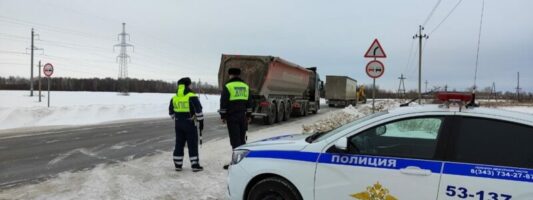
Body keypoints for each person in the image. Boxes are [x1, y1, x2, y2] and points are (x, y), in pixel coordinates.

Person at [219, 68, 252, 170]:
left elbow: (223, 102)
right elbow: (250, 102)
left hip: (232, 116)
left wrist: (223, 116)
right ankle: (243, 161)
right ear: (239, 75)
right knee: (242, 139)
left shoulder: (228, 86)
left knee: (235, 140)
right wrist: (249, 115)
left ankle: (236, 163)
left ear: (230, 75)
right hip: (243, 116)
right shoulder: (245, 86)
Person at [169, 77, 204, 172]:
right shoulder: (191, 96)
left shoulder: (174, 97)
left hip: (178, 124)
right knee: (192, 144)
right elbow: (199, 111)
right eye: (190, 84)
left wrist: (178, 118)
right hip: (190, 123)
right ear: (188, 85)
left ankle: (178, 165)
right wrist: (200, 121)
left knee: (179, 143)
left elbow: (171, 113)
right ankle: (195, 165)